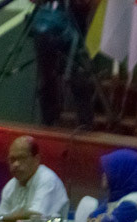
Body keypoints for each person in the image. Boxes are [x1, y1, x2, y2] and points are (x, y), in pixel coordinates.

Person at [31, 0, 95, 128]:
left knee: (77, 75)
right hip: (45, 28)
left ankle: (85, 124)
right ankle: (48, 121)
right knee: (46, 77)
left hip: (74, 25)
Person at [0, 136, 69, 222]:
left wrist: (5, 218)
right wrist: (4, 218)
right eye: (12, 159)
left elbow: (35, 216)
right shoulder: (10, 186)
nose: (15, 164)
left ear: (36, 159)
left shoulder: (47, 179)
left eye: (22, 158)